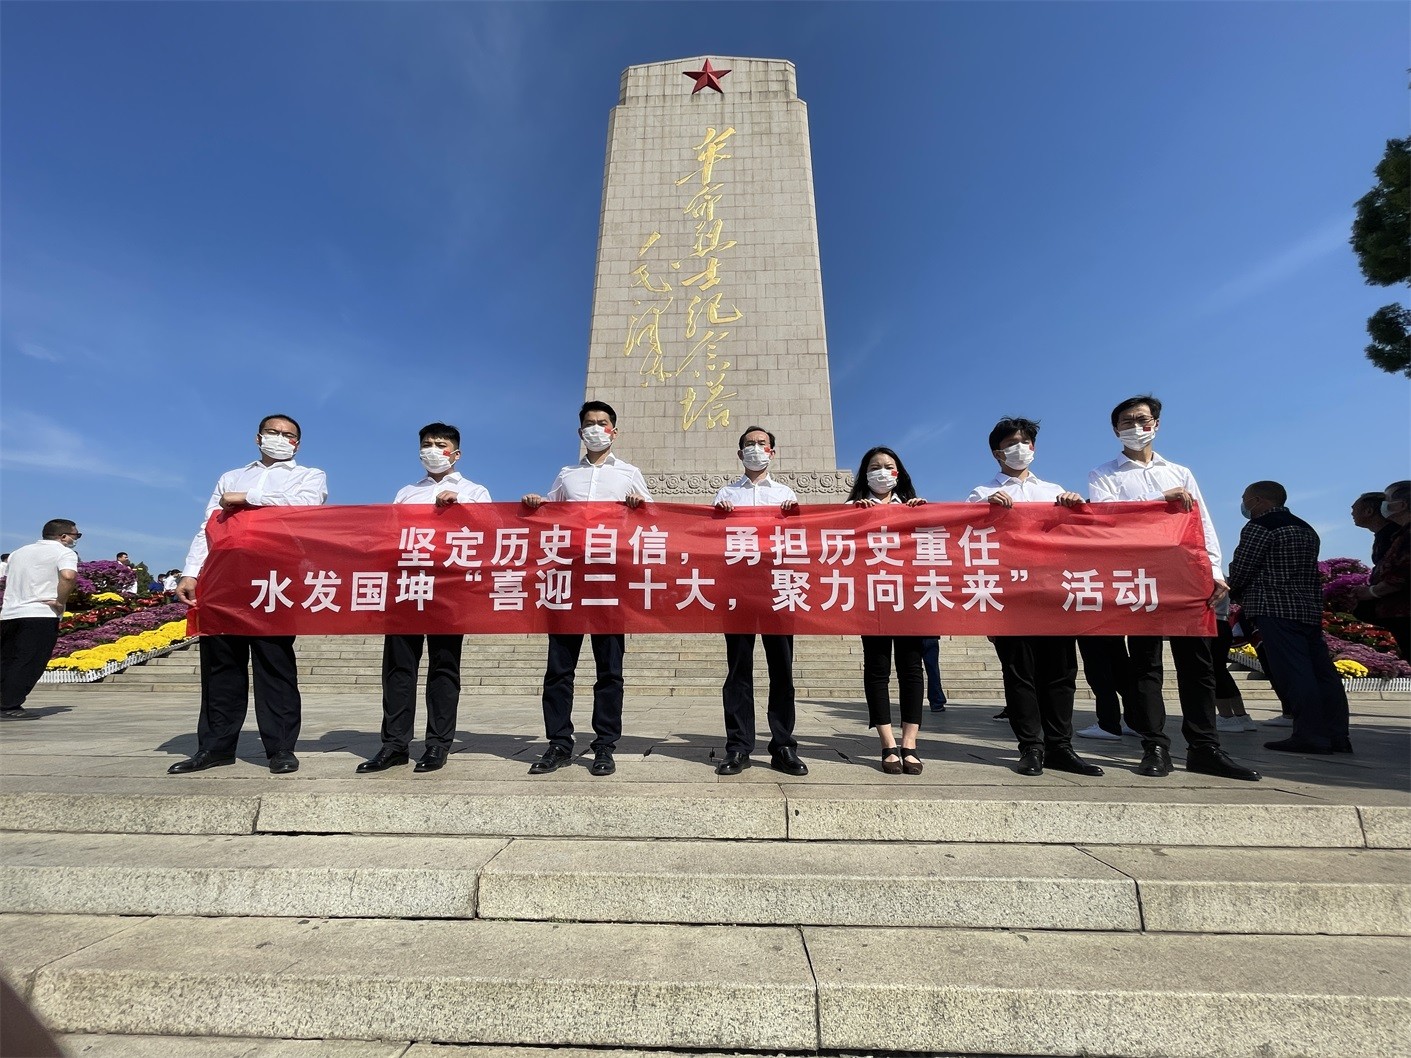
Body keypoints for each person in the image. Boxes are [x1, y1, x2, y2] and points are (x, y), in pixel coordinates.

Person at [1087, 395, 1259, 781]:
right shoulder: (1104, 474)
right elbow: (1107, 518)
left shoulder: (1179, 471)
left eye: (1143, 419)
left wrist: (1214, 570)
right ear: (1115, 430)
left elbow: (1202, 522)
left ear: (1157, 424)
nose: (1136, 427)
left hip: (1186, 574)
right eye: (1127, 422)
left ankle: (1205, 746)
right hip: (1140, 575)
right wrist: (1157, 503)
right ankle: (1154, 745)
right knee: (1145, 663)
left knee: (1197, 665)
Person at [169, 414, 328, 775]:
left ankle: (281, 747)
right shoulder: (230, 476)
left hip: (275, 578)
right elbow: (209, 526)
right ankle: (215, 747)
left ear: (297, 444)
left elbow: (305, 506)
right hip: (224, 578)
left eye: (288, 435)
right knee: (221, 664)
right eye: (273, 432)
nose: (280, 438)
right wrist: (191, 571)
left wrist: (247, 498)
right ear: (258, 438)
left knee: (274, 662)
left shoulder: (309, 476)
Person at [968, 418, 1104, 777]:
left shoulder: (1054, 491)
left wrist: (1076, 507)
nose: (1020, 448)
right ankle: (1030, 746)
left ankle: (1060, 746)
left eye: (1026, 442)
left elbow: (1078, 538)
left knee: (1061, 674)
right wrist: (985, 511)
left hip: (1054, 594)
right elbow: (968, 540)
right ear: (997, 453)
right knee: (1020, 674)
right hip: (1011, 597)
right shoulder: (981, 493)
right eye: (1011, 443)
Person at [522, 400, 650, 777]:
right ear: (581, 432)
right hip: (569, 578)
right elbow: (550, 516)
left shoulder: (629, 473)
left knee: (609, 669)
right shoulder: (566, 476)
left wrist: (639, 507)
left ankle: (604, 745)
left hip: (609, 579)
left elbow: (653, 522)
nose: (596, 428)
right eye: (590, 423)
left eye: (603, 423)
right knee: (559, 668)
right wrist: (536, 504)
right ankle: (559, 743)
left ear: (614, 431)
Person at [358, 422, 491, 775]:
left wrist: (459, 510)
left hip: (448, 589)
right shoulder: (406, 493)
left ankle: (437, 744)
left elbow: (489, 535)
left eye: (440, 444)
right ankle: (394, 744)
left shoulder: (474, 491)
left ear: (456, 454)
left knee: (444, 667)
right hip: (406, 587)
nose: (433, 450)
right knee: (398, 668)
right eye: (427, 444)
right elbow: (389, 537)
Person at [1227, 480, 1351, 754]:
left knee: (1294, 673)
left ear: (1258, 500)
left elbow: (1243, 569)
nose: (1244, 504)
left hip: (1274, 609)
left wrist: (1229, 591)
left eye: (1245, 498)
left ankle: (1310, 734)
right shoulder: (1306, 528)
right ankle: (1337, 735)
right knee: (1323, 673)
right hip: (1307, 609)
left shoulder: (1260, 527)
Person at [712, 425, 806, 776]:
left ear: (772, 452)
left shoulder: (785, 494)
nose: (755, 448)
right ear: (740, 454)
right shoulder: (726, 494)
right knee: (738, 671)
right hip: (737, 590)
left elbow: (798, 542)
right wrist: (717, 517)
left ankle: (783, 745)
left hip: (778, 588)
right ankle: (738, 746)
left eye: (762, 444)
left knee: (782, 669)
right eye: (749, 444)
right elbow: (711, 543)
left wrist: (795, 517)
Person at [846, 446, 928, 775]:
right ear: (865, 473)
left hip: (908, 598)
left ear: (899, 472)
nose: (882, 471)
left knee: (911, 669)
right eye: (875, 466)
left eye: (889, 466)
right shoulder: (852, 508)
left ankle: (910, 744)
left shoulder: (912, 506)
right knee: (877, 669)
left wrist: (923, 516)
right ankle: (887, 743)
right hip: (872, 598)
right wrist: (855, 517)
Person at [0, 520, 81, 721]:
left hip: (10, 613)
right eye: (76, 535)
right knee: (30, 660)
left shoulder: (18, 553)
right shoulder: (64, 552)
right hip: (40, 613)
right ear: (63, 536)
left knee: (7, 659)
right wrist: (60, 602)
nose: (75, 539)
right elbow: (68, 576)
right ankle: (9, 705)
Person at [1354, 480, 1410, 660]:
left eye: (1387, 499)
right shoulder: (1399, 534)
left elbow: (1401, 576)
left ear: (1402, 505)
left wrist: (1372, 592)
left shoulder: (1404, 536)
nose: (1383, 505)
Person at [920, 637, 947, 711]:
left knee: (913, 671)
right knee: (933, 670)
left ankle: (913, 701)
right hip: (930, 636)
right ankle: (937, 701)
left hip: (913, 637)